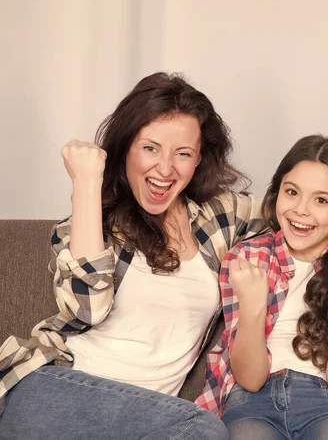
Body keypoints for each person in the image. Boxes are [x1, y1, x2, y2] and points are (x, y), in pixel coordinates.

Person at [0, 72, 267, 439]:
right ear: (126, 146)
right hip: (54, 390)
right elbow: (86, 309)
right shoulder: (88, 225)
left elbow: (301, 210)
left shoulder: (220, 218)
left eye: (183, 154)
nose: (165, 169)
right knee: (203, 429)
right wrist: (87, 182)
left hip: (143, 421)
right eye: (150, 148)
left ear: (199, 160)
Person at [197, 135, 328, 439]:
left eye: (321, 200)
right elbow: (250, 378)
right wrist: (254, 306)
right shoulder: (247, 257)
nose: (301, 210)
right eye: (292, 192)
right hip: (251, 400)